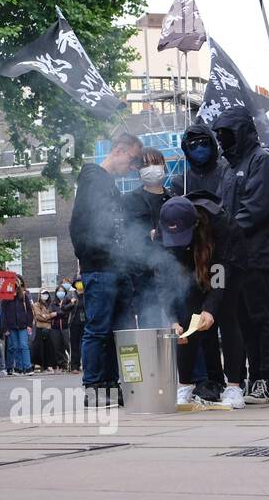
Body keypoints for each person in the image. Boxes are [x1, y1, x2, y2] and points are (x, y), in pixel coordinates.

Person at [213, 109, 269, 405]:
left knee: (263, 317)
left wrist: (222, 233)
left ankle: (267, 381)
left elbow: (254, 209)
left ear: (241, 131)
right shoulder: (230, 166)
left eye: (226, 134)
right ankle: (254, 377)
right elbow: (223, 208)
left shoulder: (263, 161)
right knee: (243, 319)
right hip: (237, 256)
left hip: (258, 254)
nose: (221, 140)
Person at [70, 133, 143, 405]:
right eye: (133, 159)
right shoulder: (92, 178)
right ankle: (94, 385)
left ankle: (111, 384)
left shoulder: (108, 184)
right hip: (101, 267)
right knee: (99, 328)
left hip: (116, 267)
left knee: (117, 330)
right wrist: (93, 254)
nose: (133, 167)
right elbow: (79, 225)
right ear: (120, 151)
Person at [158, 195, 234, 408]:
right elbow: (164, 283)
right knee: (186, 322)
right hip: (189, 263)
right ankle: (184, 386)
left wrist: (209, 310)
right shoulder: (163, 231)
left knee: (227, 316)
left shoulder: (218, 226)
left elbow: (219, 274)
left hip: (223, 262)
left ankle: (234, 386)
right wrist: (172, 319)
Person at [122, 146, 172, 327]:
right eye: (146, 164)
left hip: (171, 273)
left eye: (155, 163)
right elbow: (124, 236)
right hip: (143, 276)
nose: (151, 168)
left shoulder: (174, 199)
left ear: (163, 166)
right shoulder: (128, 200)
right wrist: (146, 235)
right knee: (150, 326)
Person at [173, 123, 231, 197]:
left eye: (204, 143)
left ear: (212, 145)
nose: (199, 149)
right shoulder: (181, 182)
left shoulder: (227, 174)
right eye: (192, 145)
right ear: (186, 150)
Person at [0, 276, 33, 376]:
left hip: (23, 325)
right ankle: (18, 368)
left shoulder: (23, 295)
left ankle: (27, 367)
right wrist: (5, 328)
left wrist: (29, 324)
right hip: (11, 326)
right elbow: (3, 313)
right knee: (16, 347)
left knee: (24, 346)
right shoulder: (5, 299)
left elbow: (29, 311)